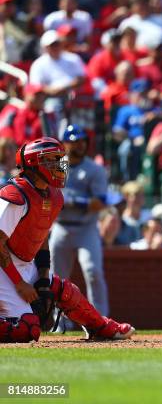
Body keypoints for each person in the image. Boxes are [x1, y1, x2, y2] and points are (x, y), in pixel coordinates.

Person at [0, 137, 134, 342]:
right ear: (35, 163)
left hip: (23, 262)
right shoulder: (15, 194)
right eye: (51, 160)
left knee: (64, 290)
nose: (59, 165)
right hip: (4, 267)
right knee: (28, 328)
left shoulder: (53, 196)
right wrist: (19, 283)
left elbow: (41, 236)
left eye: (59, 160)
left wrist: (43, 277)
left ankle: (100, 326)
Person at [49, 125, 111, 324]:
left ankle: (99, 321)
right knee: (57, 279)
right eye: (74, 141)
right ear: (65, 143)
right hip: (61, 227)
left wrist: (71, 201)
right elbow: (50, 197)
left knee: (93, 272)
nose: (79, 145)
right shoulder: (59, 166)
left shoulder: (94, 168)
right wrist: (73, 201)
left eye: (82, 141)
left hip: (86, 228)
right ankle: (60, 323)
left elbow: (99, 202)